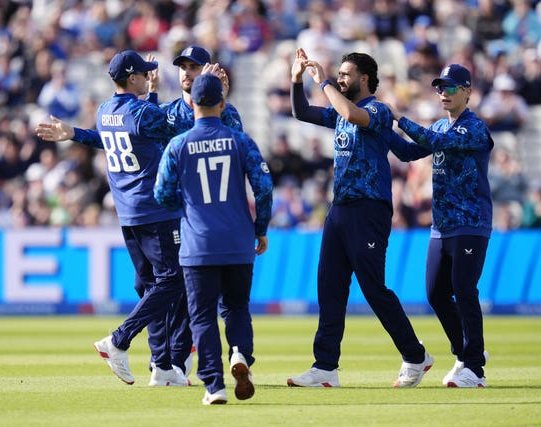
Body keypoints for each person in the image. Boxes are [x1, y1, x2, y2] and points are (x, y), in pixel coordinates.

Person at [35, 45, 244, 386]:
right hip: (156, 209)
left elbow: (126, 133)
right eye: (144, 73)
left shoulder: (106, 109)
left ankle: (162, 365)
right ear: (132, 78)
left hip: (128, 213)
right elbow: (178, 124)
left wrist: (74, 133)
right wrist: (207, 89)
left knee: (151, 286)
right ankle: (119, 340)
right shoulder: (144, 112)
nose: (150, 76)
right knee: (174, 281)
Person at [286, 48, 433, 388]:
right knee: (329, 287)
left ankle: (415, 355)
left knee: (373, 288)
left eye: (345, 74)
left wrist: (322, 81)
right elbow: (301, 111)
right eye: (338, 74)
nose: (340, 78)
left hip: (369, 208)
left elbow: (352, 114)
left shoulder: (377, 110)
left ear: (364, 79)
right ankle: (325, 367)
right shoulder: (341, 110)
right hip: (340, 209)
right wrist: (296, 79)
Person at [154, 73, 273, 405]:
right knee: (236, 307)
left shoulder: (178, 145)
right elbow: (264, 188)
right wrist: (260, 228)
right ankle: (240, 353)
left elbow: (161, 194)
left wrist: (186, 207)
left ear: (191, 103)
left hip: (198, 244)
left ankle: (214, 386)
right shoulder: (240, 141)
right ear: (223, 103)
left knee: (202, 316)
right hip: (237, 242)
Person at [387, 63, 493, 387]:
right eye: (440, 87)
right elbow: (408, 152)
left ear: (467, 91)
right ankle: (465, 353)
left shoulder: (474, 127)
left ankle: (475, 370)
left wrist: (399, 118)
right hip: (442, 225)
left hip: (470, 222)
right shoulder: (439, 126)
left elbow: (434, 140)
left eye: (450, 87)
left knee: (464, 290)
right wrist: (380, 129)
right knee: (435, 293)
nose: (443, 93)